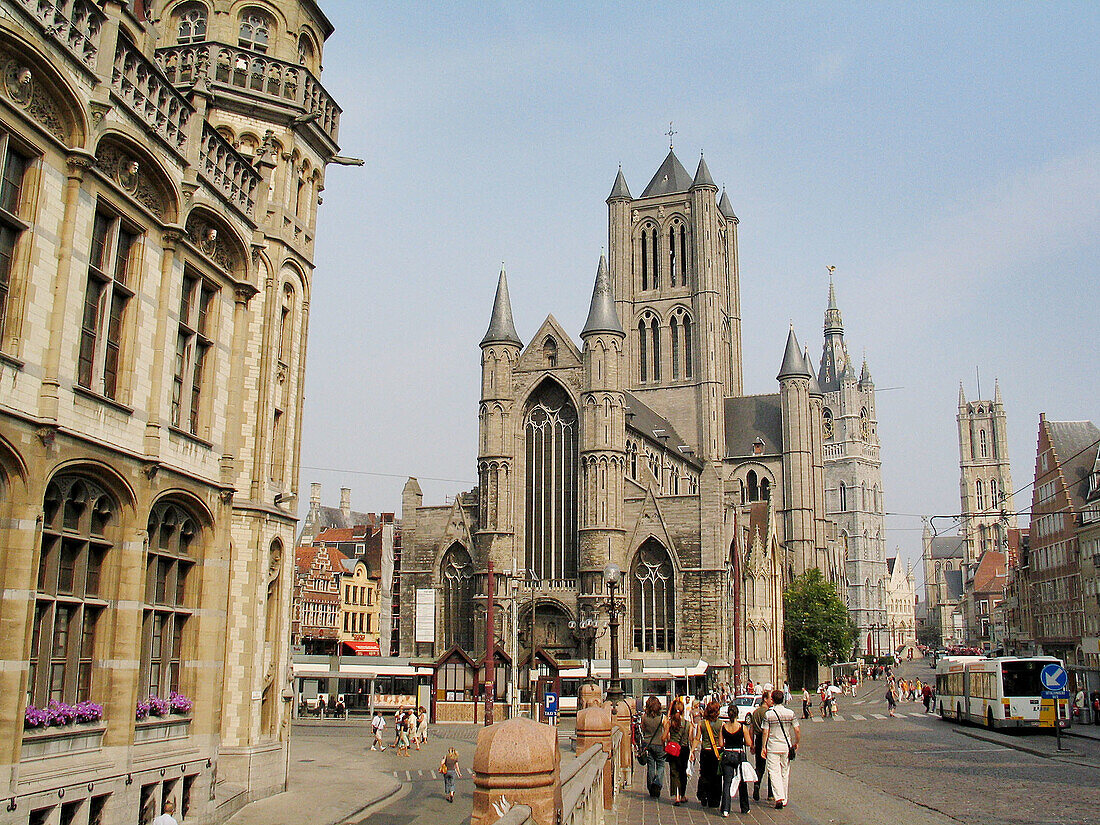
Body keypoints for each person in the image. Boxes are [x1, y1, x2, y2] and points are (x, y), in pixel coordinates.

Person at [761, 689, 800, 809]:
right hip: (786, 746)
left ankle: (779, 797)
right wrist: (796, 742)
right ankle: (784, 798)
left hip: (773, 746)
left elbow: (765, 732)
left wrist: (763, 746)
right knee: (784, 772)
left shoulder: (769, 714)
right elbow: (797, 730)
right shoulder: (790, 713)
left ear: (772, 700)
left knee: (774, 772)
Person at [719, 701, 752, 817]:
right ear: (737, 714)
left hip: (727, 754)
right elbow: (748, 743)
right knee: (742, 782)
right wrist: (741, 740)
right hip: (739, 754)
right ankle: (745, 807)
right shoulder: (742, 727)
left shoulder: (724, 726)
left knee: (727, 782)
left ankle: (725, 809)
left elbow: (720, 743)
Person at [696, 700, 724, 809]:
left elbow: (697, 738)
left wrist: (693, 750)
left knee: (705, 774)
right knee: (717, 776)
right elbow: (722, 741)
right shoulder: (721, 724)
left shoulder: (702, 723)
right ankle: (715, 800)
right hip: (717, 752)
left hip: (705, 751)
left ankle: (704, 794)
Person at [639, 695, 668, 798]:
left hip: (648, 744)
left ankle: (651, 787)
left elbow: (642, 728)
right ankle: (658, 782)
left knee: (651, 766)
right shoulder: (662, 718)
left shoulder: (644, 717)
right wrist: (664, 741)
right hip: (659, 744)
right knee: (661, 765)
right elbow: (666, 731)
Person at [748, 690, 774, 802]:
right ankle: (771, 793)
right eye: (770, 698)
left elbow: (751, 729)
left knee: (759, 766)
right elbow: (767, 730)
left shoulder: (755, 712)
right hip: (767, 740)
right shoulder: (768, 713)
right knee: (771, 767)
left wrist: (751, 743)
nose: (772, 701)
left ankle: (757, 785)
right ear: (765, 699)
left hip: (758, 740)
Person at [666, 699, 692, 805]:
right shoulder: (688, 724)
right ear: (683, 711)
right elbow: (690, 738)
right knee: (682, 772)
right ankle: (683, 795)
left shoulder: (670, 723)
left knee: (674, 772)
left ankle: (676, 796)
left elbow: (666, 736)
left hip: (673, 749)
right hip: (684, 749)